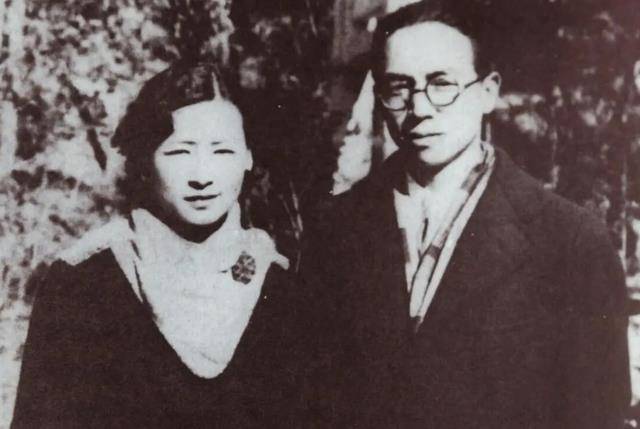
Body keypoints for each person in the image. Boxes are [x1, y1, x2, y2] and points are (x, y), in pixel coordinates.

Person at [303, 1, 631, 427]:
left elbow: (597, 414)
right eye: (399, 87)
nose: (420, 108)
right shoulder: (336, 228)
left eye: (442, 84)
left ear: (487, 92)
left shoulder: (569, 241)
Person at [11, 60, 301, 428]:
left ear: (248, 158)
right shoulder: (84, 283)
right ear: (145, 158)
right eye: (180, 151)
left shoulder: (278, 287)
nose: (202, 176)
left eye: (222, 151)